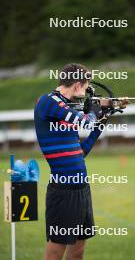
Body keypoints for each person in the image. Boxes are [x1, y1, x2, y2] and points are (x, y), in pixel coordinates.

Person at [34, 63, 106, 260]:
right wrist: (93, 110)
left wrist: (102, 121)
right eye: (85, 88)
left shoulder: (66, 113)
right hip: (63, 191)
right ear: (76, 85)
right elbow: (86, 121)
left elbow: (80, 153)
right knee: (56, 252)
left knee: (77, 252)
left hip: (82, 188)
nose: (84, 94)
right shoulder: (48, 102)